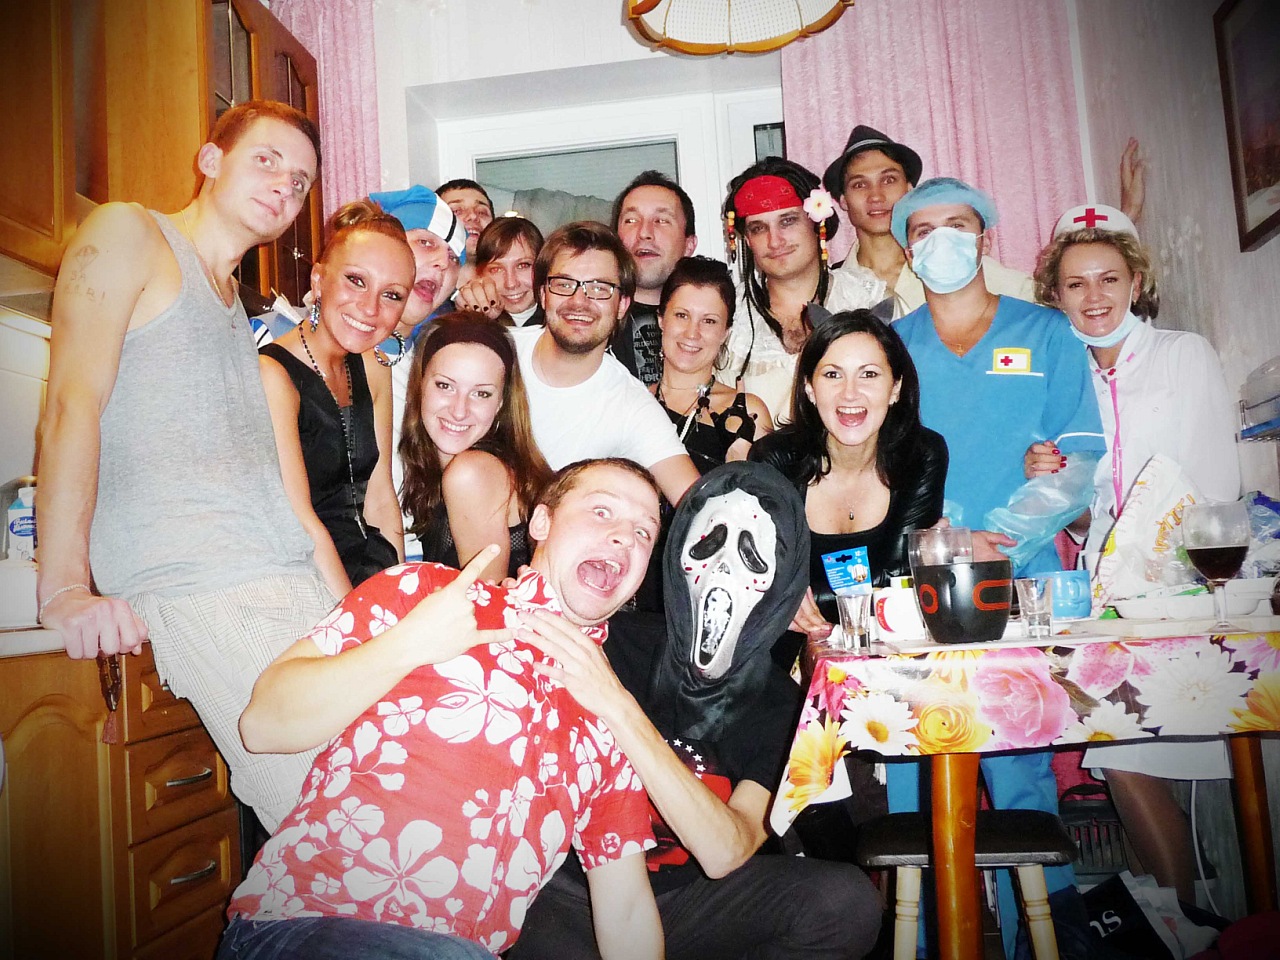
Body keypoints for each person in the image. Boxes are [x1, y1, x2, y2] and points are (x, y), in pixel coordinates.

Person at [219, 459, 666, 960]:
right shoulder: (428, 594)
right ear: (541, 522)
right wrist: (409, 645)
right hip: (313, 924)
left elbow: (626, 909)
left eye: (644, 533)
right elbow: (263, 725)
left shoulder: (608, 720)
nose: (624, 536)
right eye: (602, 511)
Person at [36, 100, 334, 832]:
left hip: (286, 583)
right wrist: (65, 586)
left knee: (397, 790)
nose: (285, 186)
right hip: (206, 585)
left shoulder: (237, 309)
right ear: (210, 160)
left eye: (300, 182)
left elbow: (277, 494)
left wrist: (343, 612)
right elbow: (71, 404)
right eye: (267, 160)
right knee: (342, 823)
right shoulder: (129, 232)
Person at [509, 461, 883, 960]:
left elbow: (727, 851)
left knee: (845, 902)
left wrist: (618, 706)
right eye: (709, 542)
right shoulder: (608, 638)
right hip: (569, 894)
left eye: (753, 555)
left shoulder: (780, 702)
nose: (725, 570)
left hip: (695, 898)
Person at [890, 177, 1108, 960]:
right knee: (915, 772)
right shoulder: (891, 347)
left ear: (985, 236)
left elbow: (1078, 461)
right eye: (925, 229)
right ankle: (922, 945)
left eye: (959, 223)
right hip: (918, 583)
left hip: (1021, 578)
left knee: (1022, 774)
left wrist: (1002, 536)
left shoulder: (1044, 333)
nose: (943, 240)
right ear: (907, 248)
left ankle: (1038, 942)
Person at [1027, 204, 1240, 903]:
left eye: (1108, 279)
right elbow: (1088, 517)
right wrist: (1052, 482)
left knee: (1209, 766)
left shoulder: (1183, 354)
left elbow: (1216, 488)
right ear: (1055, 296)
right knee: (1121, 754)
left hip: (1187, 585)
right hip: (1106, 592)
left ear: (1136, 282)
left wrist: (1184, 575)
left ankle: (1222, 919)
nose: (1094, 297)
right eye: (1076, 284)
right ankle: (1181, 921)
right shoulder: (1067, 380)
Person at [751, 306, 947, 635]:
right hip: (784, 650)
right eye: (832, 375)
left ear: (895, 388)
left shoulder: (922, 454)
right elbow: (762, 590)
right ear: (810, 388)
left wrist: (800, 596)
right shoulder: (774, 462)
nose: (850, 392)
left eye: (869, 374)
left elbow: (901, 581)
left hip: (888, 642)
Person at [259, 202, 412, 597]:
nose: (370, 308)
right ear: (318, 280)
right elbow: (301, 521)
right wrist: (354, 615)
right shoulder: (273, 375)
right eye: (356, 281)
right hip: (306, 580)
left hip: (372, 565)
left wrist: (399, 591)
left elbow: (380, 496)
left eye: (392, 295)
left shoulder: (373, 364)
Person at [511, 221, 699, 505]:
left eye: (599, 288)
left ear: (622, 305)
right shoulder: (497, 353)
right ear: (543, 295)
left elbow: (698, 504)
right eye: (564, 284)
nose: (579, 301)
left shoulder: (632, 407)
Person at [720, 157, 886, 422]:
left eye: (787, 221)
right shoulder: (727, 316)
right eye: (759, 228)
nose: (775, 241)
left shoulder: (868, 298)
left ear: (816, 222)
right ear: (747, 240)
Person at [399, 312, 553, 582]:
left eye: (481, 393)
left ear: (501, 403)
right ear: (419, 384)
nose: (459, 411)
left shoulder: (471, 473)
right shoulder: (438, 463)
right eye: (445, 386)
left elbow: (487, 600)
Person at [822, 125, 1035, 316]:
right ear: (843, 200)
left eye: (889, 180)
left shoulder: (962, 265)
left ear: (909, 189)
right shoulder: (832, 288)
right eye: (859, 185)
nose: (876, 196)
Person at [365, 185, 468, 561]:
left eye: (454, 258)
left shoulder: (435, 371)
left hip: (411, 559)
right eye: (426, 243)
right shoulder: (299, 342)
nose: (443, 263)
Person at [651, 256, 772, 473]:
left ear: (725, 332)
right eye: (681, 315)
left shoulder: (747, 413)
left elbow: (769, 492)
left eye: (709, 321)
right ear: (661, 319)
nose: (692, 333)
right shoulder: (635, 401)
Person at [610, 170, 699, 384]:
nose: (644, 233)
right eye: (631, 220)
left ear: (689, 245)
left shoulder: (711, 321)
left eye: (661, 220)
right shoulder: (592, 316)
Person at [453, 216, 546, 326]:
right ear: (479, 274)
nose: (511, 284)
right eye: (496, 269)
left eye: (523, 265)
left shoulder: (559, 322)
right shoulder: (458, 321)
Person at [438, 177, 496, 286]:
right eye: (456, 211)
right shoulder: (417, 292)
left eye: (481, 212)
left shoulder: (512, 288)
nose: (473, 216)